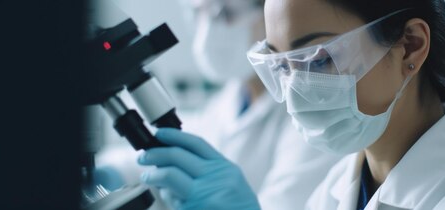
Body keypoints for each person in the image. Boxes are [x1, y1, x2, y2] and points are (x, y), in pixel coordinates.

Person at [139, 0, 445, 209]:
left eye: (317, 60)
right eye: (280, 66)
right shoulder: (337, 187)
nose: (293, 94)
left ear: (410, 46)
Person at [138, 0, 341, 209]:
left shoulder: (310, 111)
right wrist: (112, 172)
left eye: (224, 13)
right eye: (199, 12)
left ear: (269, 10)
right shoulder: (230, 97)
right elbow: (181, 145)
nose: (209, 29)